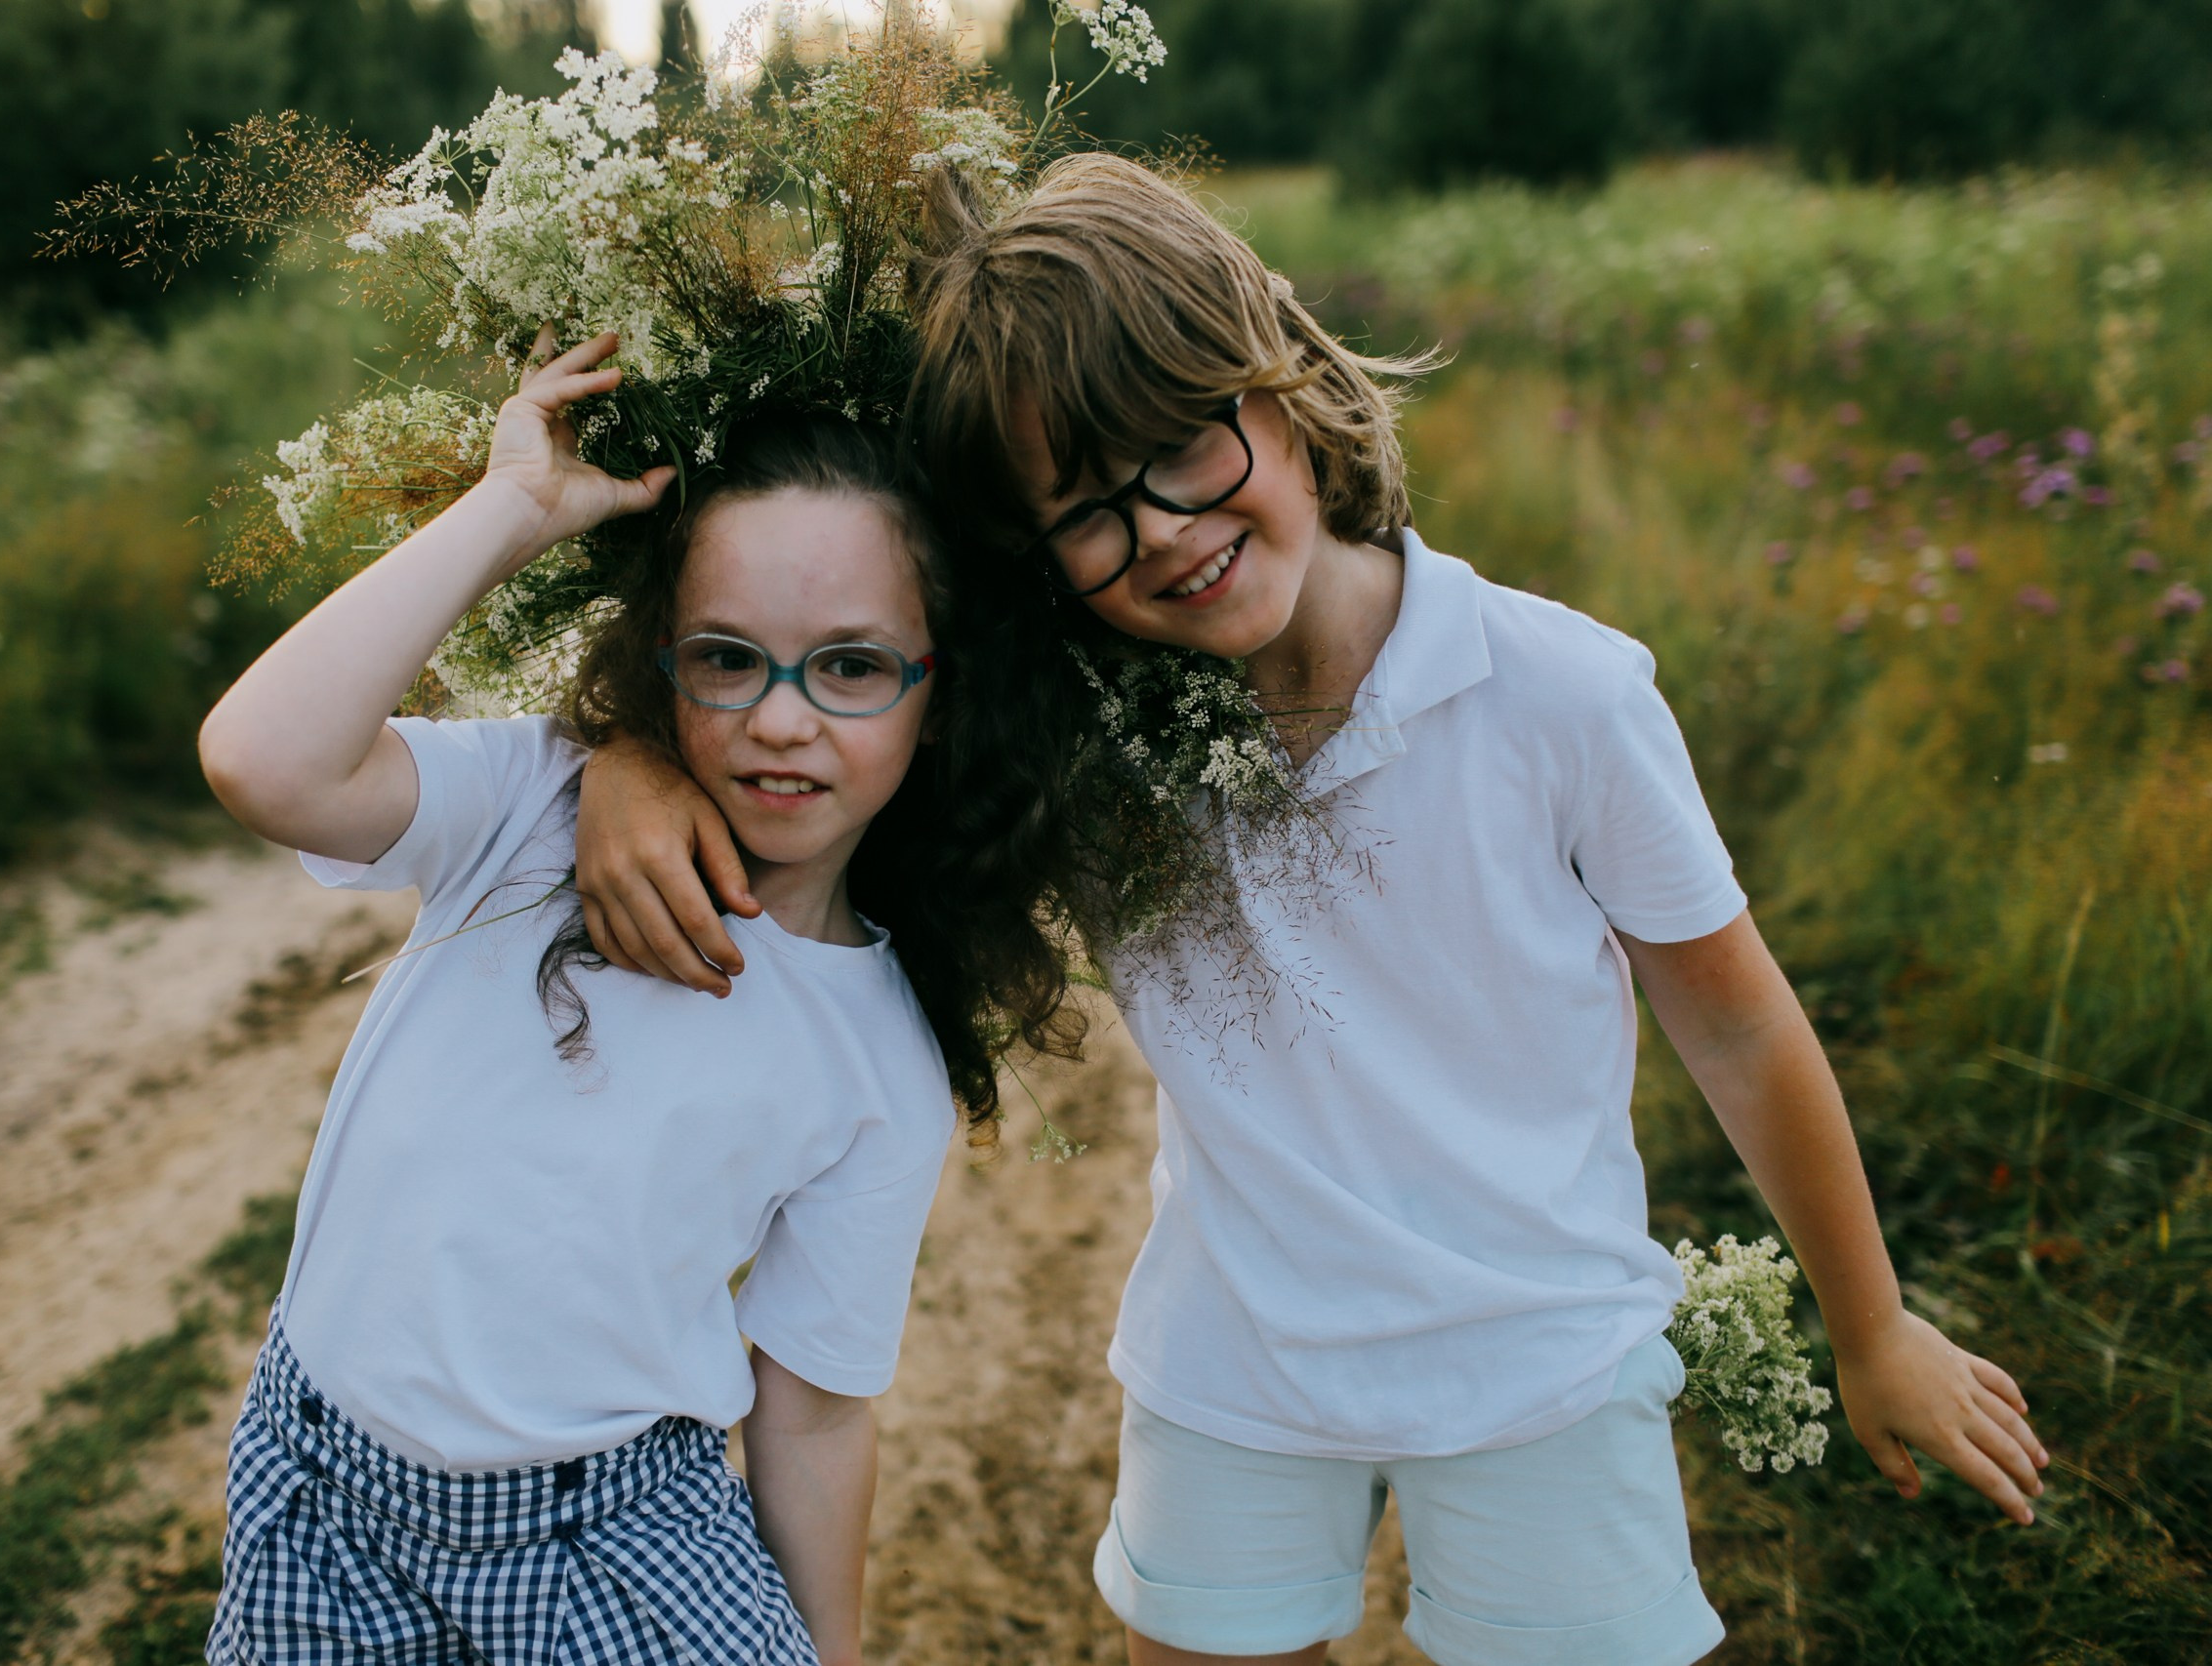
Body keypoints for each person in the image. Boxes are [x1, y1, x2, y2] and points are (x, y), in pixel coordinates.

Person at [568, 158, 2053, 1666]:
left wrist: (1870, 1330)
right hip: (1237, 1379)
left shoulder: (1564, 695)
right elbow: (811, 652)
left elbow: (1737, 1028)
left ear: (1275, 383)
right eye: (1082, 511)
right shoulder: (1080, 749)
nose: (1157, 531)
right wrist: (627, 751)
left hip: (1545, 1370)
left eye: (1177, 450)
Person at [193, 330, 1073, 1666]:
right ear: (661, 660)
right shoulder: (529, 806)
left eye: (849, 666)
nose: (782, 719)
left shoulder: (879, 1055)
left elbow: (815, 1413)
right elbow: (264, 759)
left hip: (612, 1540)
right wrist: (513, 513)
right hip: (326, 1503)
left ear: (936, 696)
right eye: (727, 658)